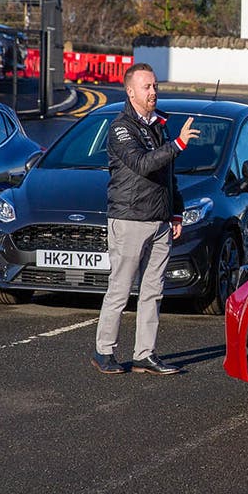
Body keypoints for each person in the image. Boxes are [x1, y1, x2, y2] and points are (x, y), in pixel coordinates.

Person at [92, 63, 200, 375]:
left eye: (154, 86)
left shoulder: (158, 124)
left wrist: (175, 210)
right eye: (146, 87)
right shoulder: (121, 128)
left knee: (153, 290)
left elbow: (167, 174)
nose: (153, 92)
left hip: (159, 219)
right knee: (121, 288)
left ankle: (145, 354)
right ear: (130, 91)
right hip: (129, 219)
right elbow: (142, 164)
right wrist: (178, 145)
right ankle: (104, 351)